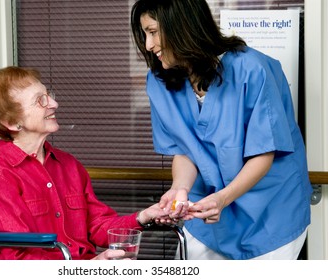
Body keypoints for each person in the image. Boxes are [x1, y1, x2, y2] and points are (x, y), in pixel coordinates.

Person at [130, 0, 312, 260]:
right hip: (208, 213)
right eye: (145, 34)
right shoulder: (160, 81)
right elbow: (185, 150)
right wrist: (179, 188)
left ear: (183, 26)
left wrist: (223, 198)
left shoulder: (252, 69)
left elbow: (264, 153)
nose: (148, 45)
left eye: (153, 32)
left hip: (271, 212)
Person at [0, 66, 167, 260]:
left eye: (48, 95)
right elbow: (18, 256)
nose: (54, 103)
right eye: (40, 100)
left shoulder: (68, 165)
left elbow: (98, 226)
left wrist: (143, 217)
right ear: (11, 121)